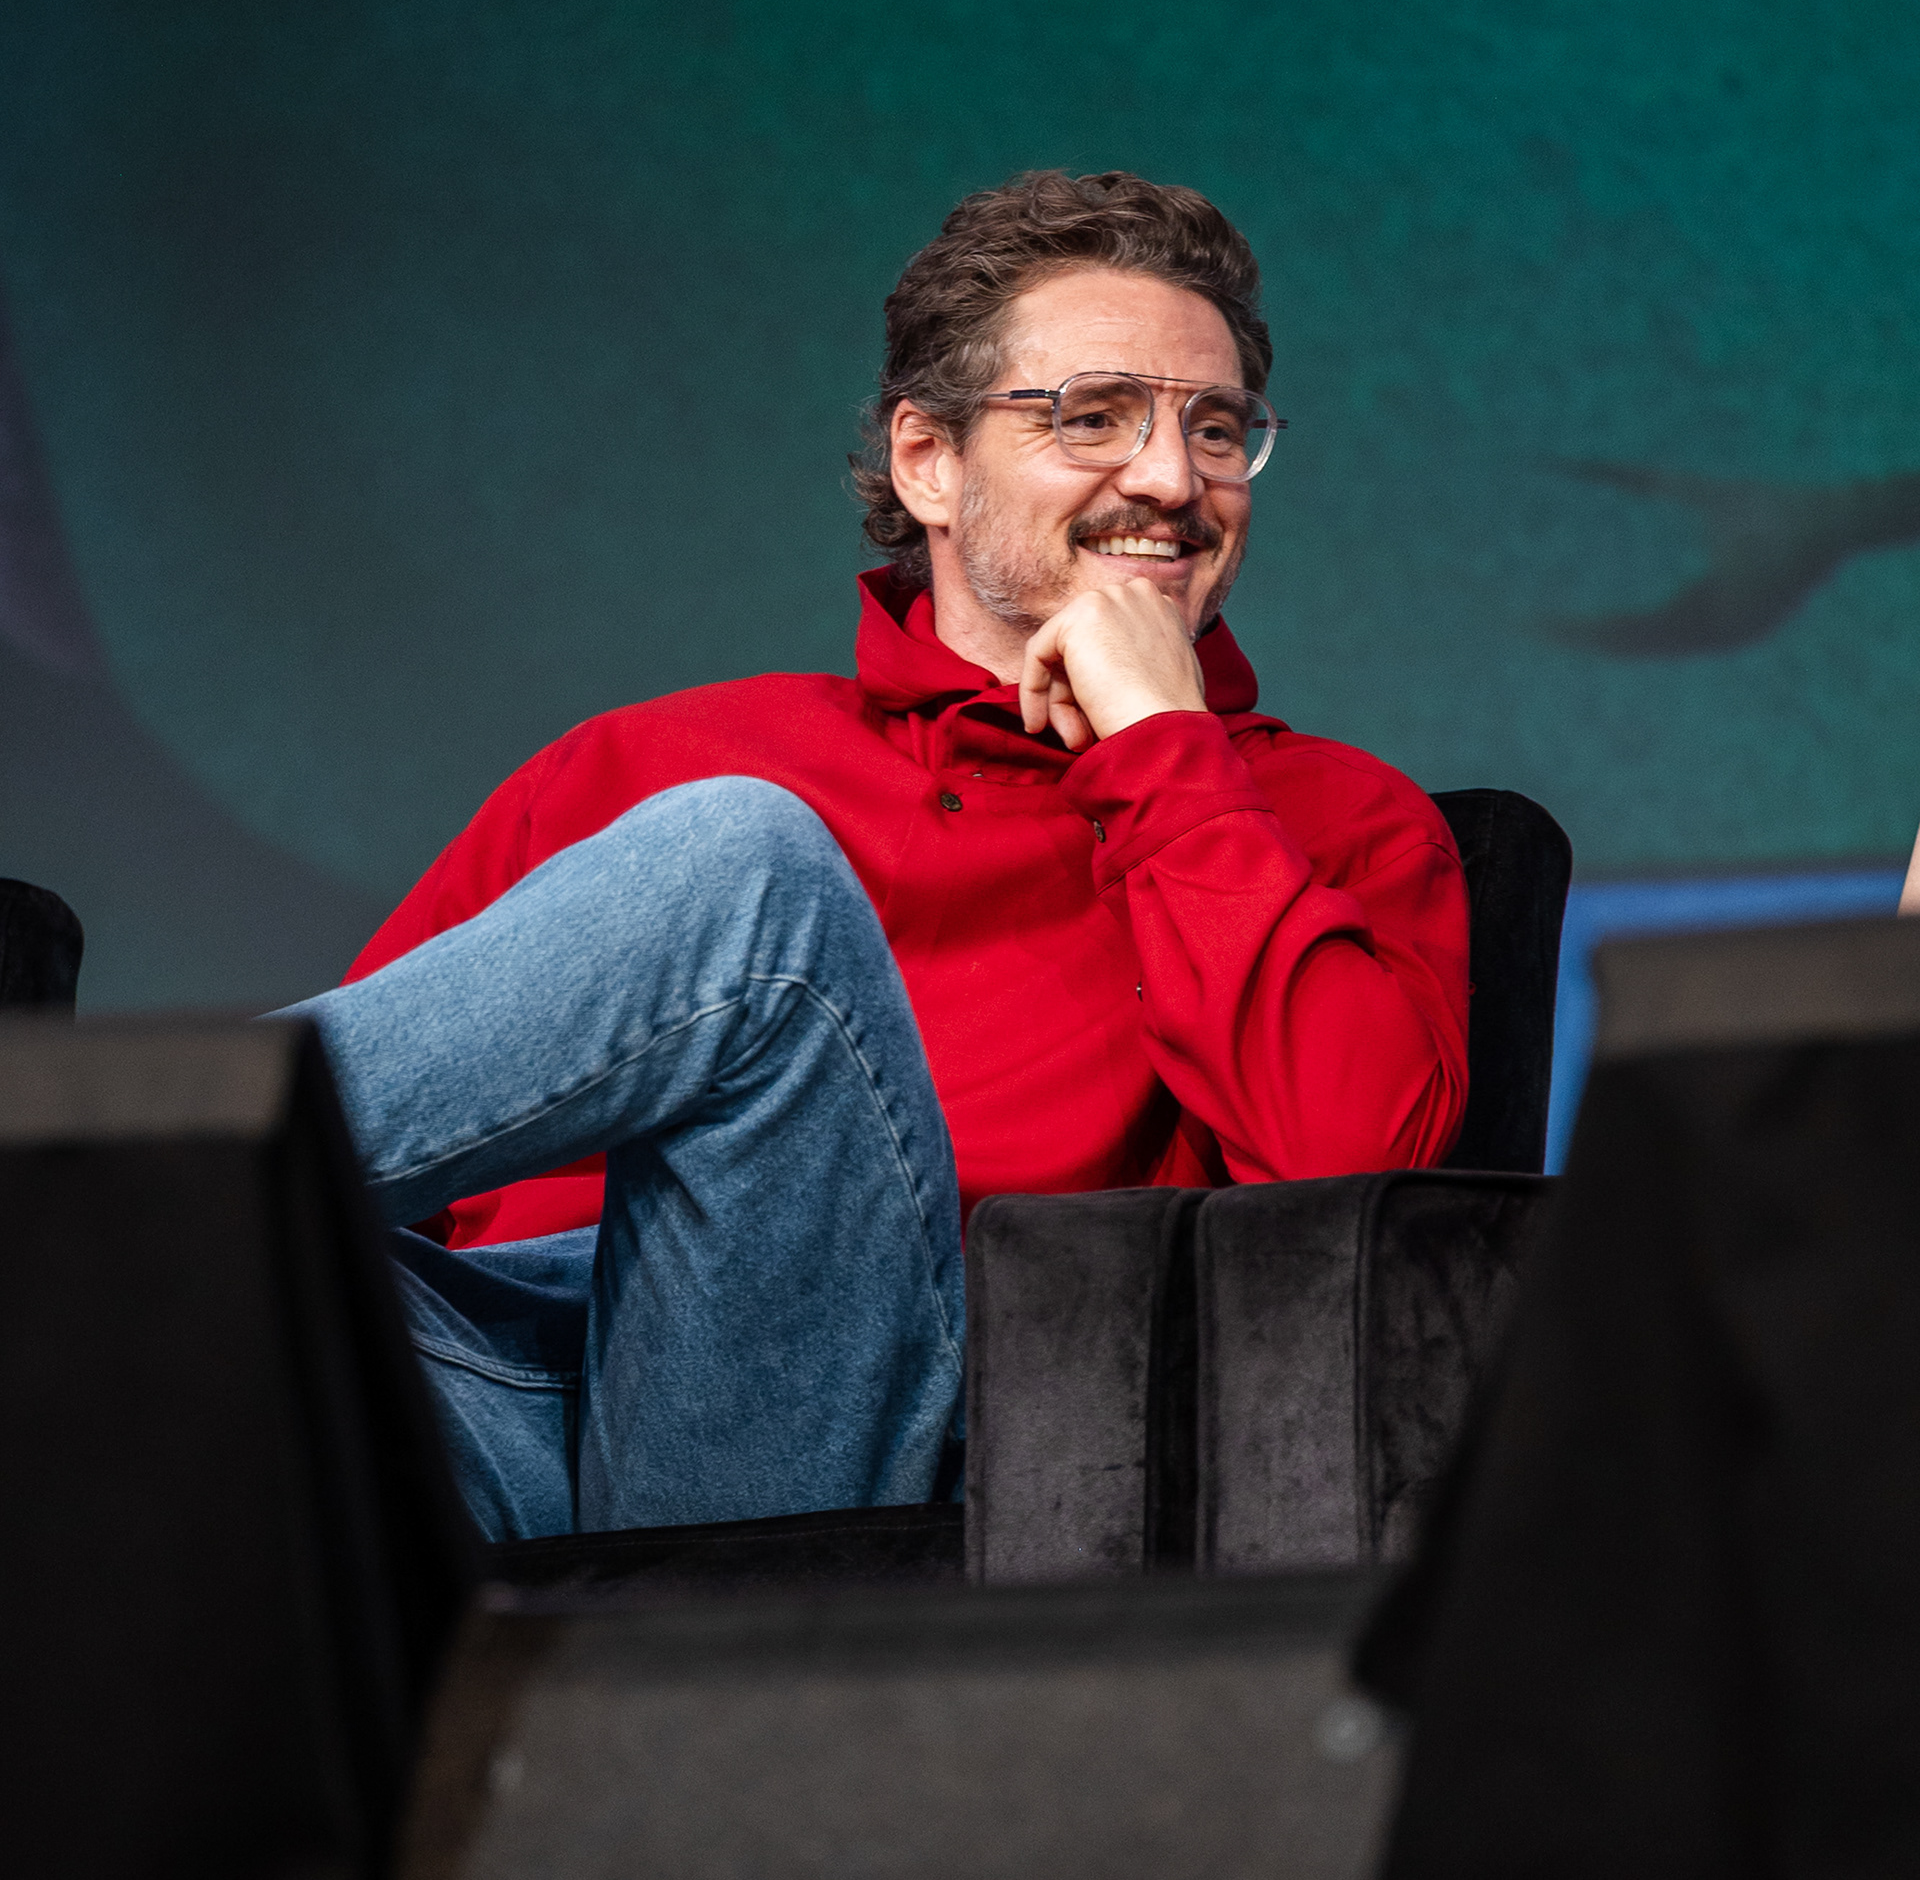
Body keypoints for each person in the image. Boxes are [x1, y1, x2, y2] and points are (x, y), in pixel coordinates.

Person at [291, 170, 1471, 1542]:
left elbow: (1359, 1195)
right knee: (186, 1317)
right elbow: (372, 1137)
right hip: (492, 1398)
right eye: (1095, 416)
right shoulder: (639, 763)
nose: (1170, 479)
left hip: (857, 1431)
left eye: (1216, 429)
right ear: (928, 461)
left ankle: (105, 1182)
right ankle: (116, 1199)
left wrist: (1165, 745)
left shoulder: (1328, 820)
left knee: (748, 867)